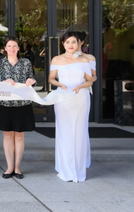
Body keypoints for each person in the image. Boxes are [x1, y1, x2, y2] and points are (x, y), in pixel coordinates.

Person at [48, 31, 94, 182]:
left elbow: (90, 81)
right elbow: (51, 79)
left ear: (78, 43)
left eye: (73, 42)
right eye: (68, 42)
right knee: (64, 133)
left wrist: (81, 86)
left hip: (80, 97)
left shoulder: (84, 60)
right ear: (63, 44)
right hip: (63, 98)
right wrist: (59, 84)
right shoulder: (56, 59)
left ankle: (79, 171)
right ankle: (65, 170)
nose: (71, 45)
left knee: (79, 134)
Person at [0, 37, 37, 179]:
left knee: (20, 135)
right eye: (9, 46)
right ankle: (9, 167)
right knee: (8, 135)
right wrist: (3, 82)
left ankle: (17, 168)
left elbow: (32, 79)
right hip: (4, 104)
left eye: (14, 46)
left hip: (22, 104)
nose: (11, 48)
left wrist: (32, 81)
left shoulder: (26, 62)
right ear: (5, 49)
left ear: (18, 48)